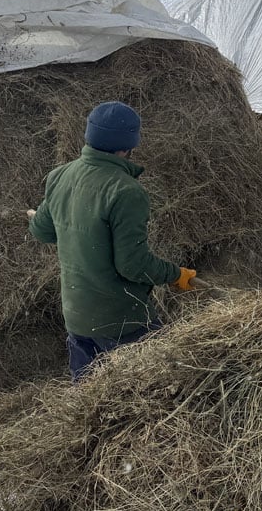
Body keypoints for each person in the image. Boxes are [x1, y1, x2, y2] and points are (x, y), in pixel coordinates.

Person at [29, 101, 198, 380]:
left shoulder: (60, 176)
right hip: (122, 321)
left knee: (87, 395)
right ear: (129, 145)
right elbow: (132, 264)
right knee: (155, 388)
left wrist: (41, 217)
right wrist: (175, 275)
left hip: (77, 316)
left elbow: (42, 231)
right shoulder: (126, 191)